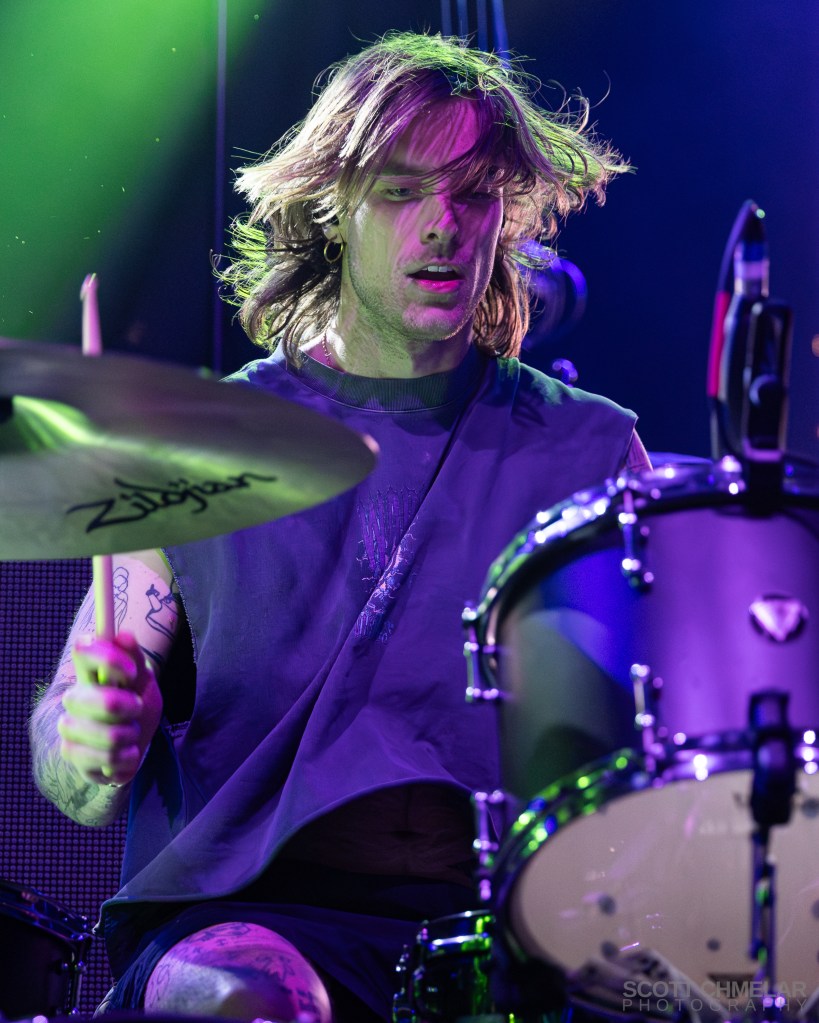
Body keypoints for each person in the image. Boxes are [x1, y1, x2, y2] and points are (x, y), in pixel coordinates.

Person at [29, 31, 650, 1023]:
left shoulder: (592, 451)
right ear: (335, 206)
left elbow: (663, 733)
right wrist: (91, 740)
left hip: (510, 931)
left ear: (509, 213)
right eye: (401, 192)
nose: (442, 225)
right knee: (258, 1004)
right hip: (246, 917)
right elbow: (73, 754)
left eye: (474, 194)